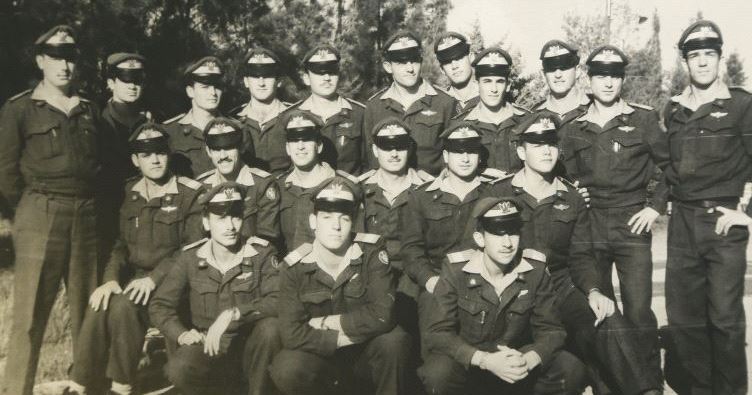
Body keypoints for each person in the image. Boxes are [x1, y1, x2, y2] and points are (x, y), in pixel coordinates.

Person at [495, 113, 663, 395]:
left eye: (550, 142)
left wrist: (595, 291)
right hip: (514, 286)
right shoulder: (499, 193)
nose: (546, 150)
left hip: (558, 285)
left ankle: (646, 390)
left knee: (606, 316)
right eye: (536, 143)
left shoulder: (571, 196)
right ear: (521, 151)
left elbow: (581, 256)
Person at [559, 44, 670, 392]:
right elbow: (561, 174)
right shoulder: (572, 125)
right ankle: (607, 385)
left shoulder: (643, 119)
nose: (608, 83)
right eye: (600, 76)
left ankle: (649, 384)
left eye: (615, 76)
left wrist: (655, 207)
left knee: (638, 312)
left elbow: (670, 165)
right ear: (589, 80)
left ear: (622, 80)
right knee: (602, 312)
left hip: (630, 222)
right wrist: (575, 194)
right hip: (589, 224)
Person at [0, 25, 101, 395]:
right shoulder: (21, 108)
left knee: (87, 313)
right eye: (56, 57)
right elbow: (5, 170)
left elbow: (98, 167)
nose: (64, 65)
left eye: (71, 57)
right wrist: (27, 212)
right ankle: (16, 390)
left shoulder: (89, 108)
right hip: (40, 212)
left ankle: (86, 386)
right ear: (41, 60)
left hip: (86, 215)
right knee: (28, 316)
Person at [68, 123, 203, 395]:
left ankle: (122, 385)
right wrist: (109, 280)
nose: (154, 159)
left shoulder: (189, 193)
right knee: (100, 301)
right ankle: (80, 383)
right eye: (146, 154)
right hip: (137, 281)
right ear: (135, 160)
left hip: (176, 284)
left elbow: (190, 248)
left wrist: (153, 280)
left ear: (168, 154)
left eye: (160, 152)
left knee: (124, 307)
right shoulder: (130, 193)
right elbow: (120, 246)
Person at [662, 20, 752, 395]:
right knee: (684, 319)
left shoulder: (742, 105)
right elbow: (665, 165)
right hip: (682, 221)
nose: (702, 63)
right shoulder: (673, 110)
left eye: (709, 55)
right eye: (694, 56)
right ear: (685, 62)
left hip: (723, 223)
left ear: (719, 58)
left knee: (724, 319)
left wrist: (746, 213)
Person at [419, 197, 587, 395]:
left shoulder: (535, 269)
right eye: (498, 234)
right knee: (437, 373)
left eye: (513, 233)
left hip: (516, 366)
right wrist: (484, 360)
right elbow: (438, 333)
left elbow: (552, 330)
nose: (507, 243)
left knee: (569, 367)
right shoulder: (456, 270)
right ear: (480, 239)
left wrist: (529, 359)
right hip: (473, 366)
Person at [269, 176, 411, 395]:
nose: (336, 227)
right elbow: (291, 333)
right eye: (327, 217)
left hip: (365, 357)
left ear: (353, 221)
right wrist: (337, 338)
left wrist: (326, 322)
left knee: (394, 341)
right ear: (313, 221)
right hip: (320, 360)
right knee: (287, 367)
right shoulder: (293, 266)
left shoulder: (372, 253)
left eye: (344, 218)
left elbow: (383, 315)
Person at [149, 182, 281, 395]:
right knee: (178, 368)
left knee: (271, 328)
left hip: (250, 349)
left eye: (236, 217)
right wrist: (181, 335)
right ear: (206, 222)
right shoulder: (191, 257)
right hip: (209, 347)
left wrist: (235, 313)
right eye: (221, 218)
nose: (230, 226)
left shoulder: (262, 254)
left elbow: (279, 299)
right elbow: (160, 305)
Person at [400, 123, 509, 354]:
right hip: (438, 281)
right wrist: (431, 281)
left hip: (484, 282)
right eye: (458, 152)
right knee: (437, 353)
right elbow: (412, 250)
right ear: (446, 156)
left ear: (479, 156)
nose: (465, 158)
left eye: (471, 151)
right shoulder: (421, 197)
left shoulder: (494, 194)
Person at [363, 31, 457, 176]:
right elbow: (371, 160)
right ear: (388, 67)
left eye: (414, 61)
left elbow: (453, 157)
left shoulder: (444, 103)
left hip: (432, 192)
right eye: (401, 62)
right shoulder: (374, 107)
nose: (410, 69)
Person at [98, 52, 154, 277]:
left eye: (138, 79)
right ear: (111, 83)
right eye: (126, 79)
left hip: (142, 209)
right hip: (108, 210)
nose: (133, 85)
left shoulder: (149, 121)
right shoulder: (97, 121)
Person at [276, 111, 360, 253]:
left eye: (307, 139)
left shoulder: (345, 186)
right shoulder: (278, 186)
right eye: (294, 140)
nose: (301, 146)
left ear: (319, 146)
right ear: (287, 148)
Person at [197, 117, 280, 243]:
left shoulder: (262, 184)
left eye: (229, 147)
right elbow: (199, 238)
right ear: (208, 151)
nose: (223, 156)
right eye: (216, 149)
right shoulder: (201, 186)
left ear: (241, 147)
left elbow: (267, 238)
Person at [290, 44, 365, 174]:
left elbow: (370, 166)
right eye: (319, 73)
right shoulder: (291, 116)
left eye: (332, 72)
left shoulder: (360, 114)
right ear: (306, 78)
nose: (327, 78)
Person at [452, 47, 530, 172]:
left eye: (499, 82)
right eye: (487, 81)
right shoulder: (461, 125)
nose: (493, 89)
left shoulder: (527, 121)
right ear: (477, 85)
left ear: (508, 85)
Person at [163, 56, 225, 177]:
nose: (213, 92)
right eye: (205, 87)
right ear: (190, 91)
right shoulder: (170, 132)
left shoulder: (236, 128)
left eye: (216, 86)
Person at [234, 47, 291, 174]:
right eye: (255, 76)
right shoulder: (233, 120)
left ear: (279, 81)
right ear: (246, 82)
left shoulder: (294, 117)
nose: (261, 83)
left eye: (268, 76)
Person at [530, 40, 591, 125]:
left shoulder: (595, 108)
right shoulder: (532, 117)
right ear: (544, 75)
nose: (558, 75)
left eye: (564, 68)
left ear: (577, 71)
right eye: (551, 69)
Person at [434, 32, 479, 114]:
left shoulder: (491, 96)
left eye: (459, 58)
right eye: (447, 61)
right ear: (442, 70)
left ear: (471, 58)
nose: (454, 66)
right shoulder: (438, 106)